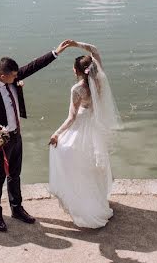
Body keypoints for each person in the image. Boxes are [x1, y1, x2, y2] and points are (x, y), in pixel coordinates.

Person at [0, 40, 72, 232]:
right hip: (0, 142)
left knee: (15, 175)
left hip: (16, 136)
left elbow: (34, 66)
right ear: (2, 75)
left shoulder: (12, 77)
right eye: (13, 76)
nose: (17, 78)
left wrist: (56, 52)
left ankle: (17, 209)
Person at [48, 41, 121, 228]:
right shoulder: (100, 79)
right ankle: (98, 201)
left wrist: (56, 134)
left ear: (75, 71)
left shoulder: (77, 89)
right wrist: (77, 44)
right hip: (95, 129)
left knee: (72, 161)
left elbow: (71, 118)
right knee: (93, 167)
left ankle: (84, 204)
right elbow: (95, 49)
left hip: (81, 127)